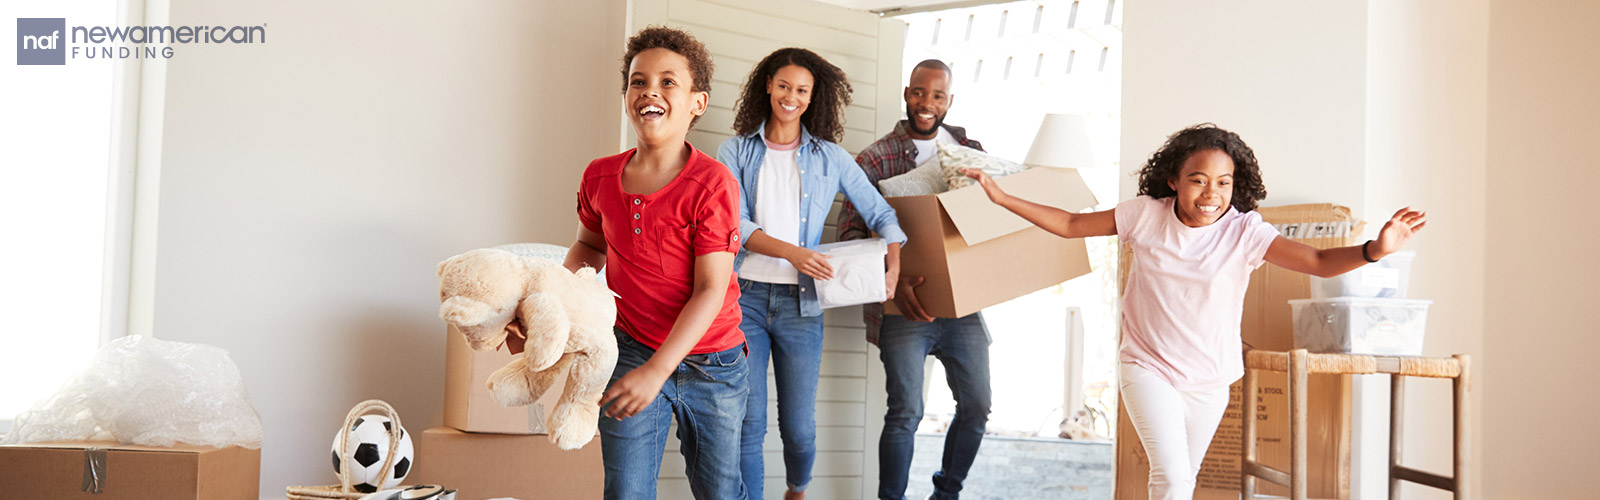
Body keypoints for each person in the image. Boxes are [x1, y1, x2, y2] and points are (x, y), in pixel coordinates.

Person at [961, 123, 1427, 500]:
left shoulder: (1246, 232)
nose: (1211, 194)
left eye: (1223, 183)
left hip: (1211, 380)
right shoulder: (1145, 215)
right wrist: (1002, 198)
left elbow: (1321, 263)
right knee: (1174, 481)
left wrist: (1373, 250)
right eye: (1198, 179)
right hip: (1148, 367)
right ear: (1174, 180)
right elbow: (1068, 224)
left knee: (1177, 482)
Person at [717, 47, 908, 500]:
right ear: (767, 85)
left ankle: (797, 490)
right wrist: (794, 253)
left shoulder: (831, 158)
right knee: (750, 421)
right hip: (743, 299)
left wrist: (894, 262)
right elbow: (732, 225)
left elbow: (881, 215)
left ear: (812, 97)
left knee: (798, 427)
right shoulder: (736, 150)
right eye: (783, 85)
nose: (791, 96)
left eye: (802, 90)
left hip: (802, 307)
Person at [565, 26, 747, 500]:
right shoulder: (599, 176)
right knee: (625, 490)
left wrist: (658, 371)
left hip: (715, 363)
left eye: (669, 82)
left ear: (696, 103)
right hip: (632, 350)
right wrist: (553, 310)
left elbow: (711, 290)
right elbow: (588, 248)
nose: (650, 91)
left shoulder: (713, 184)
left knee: (719, 491)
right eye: (638, 81)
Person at [837, 59, 990, 500]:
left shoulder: (971, 151)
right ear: (907, 93)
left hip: (962, 305)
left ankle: (947, 493)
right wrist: (892, 278)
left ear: (949, 101)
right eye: (919, 93)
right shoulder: (876, 158)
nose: (927, 103)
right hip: (904, 307)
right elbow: (849, 232)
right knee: (906, 411)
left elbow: (987, 220)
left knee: (978, 405)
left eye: (937, 95)